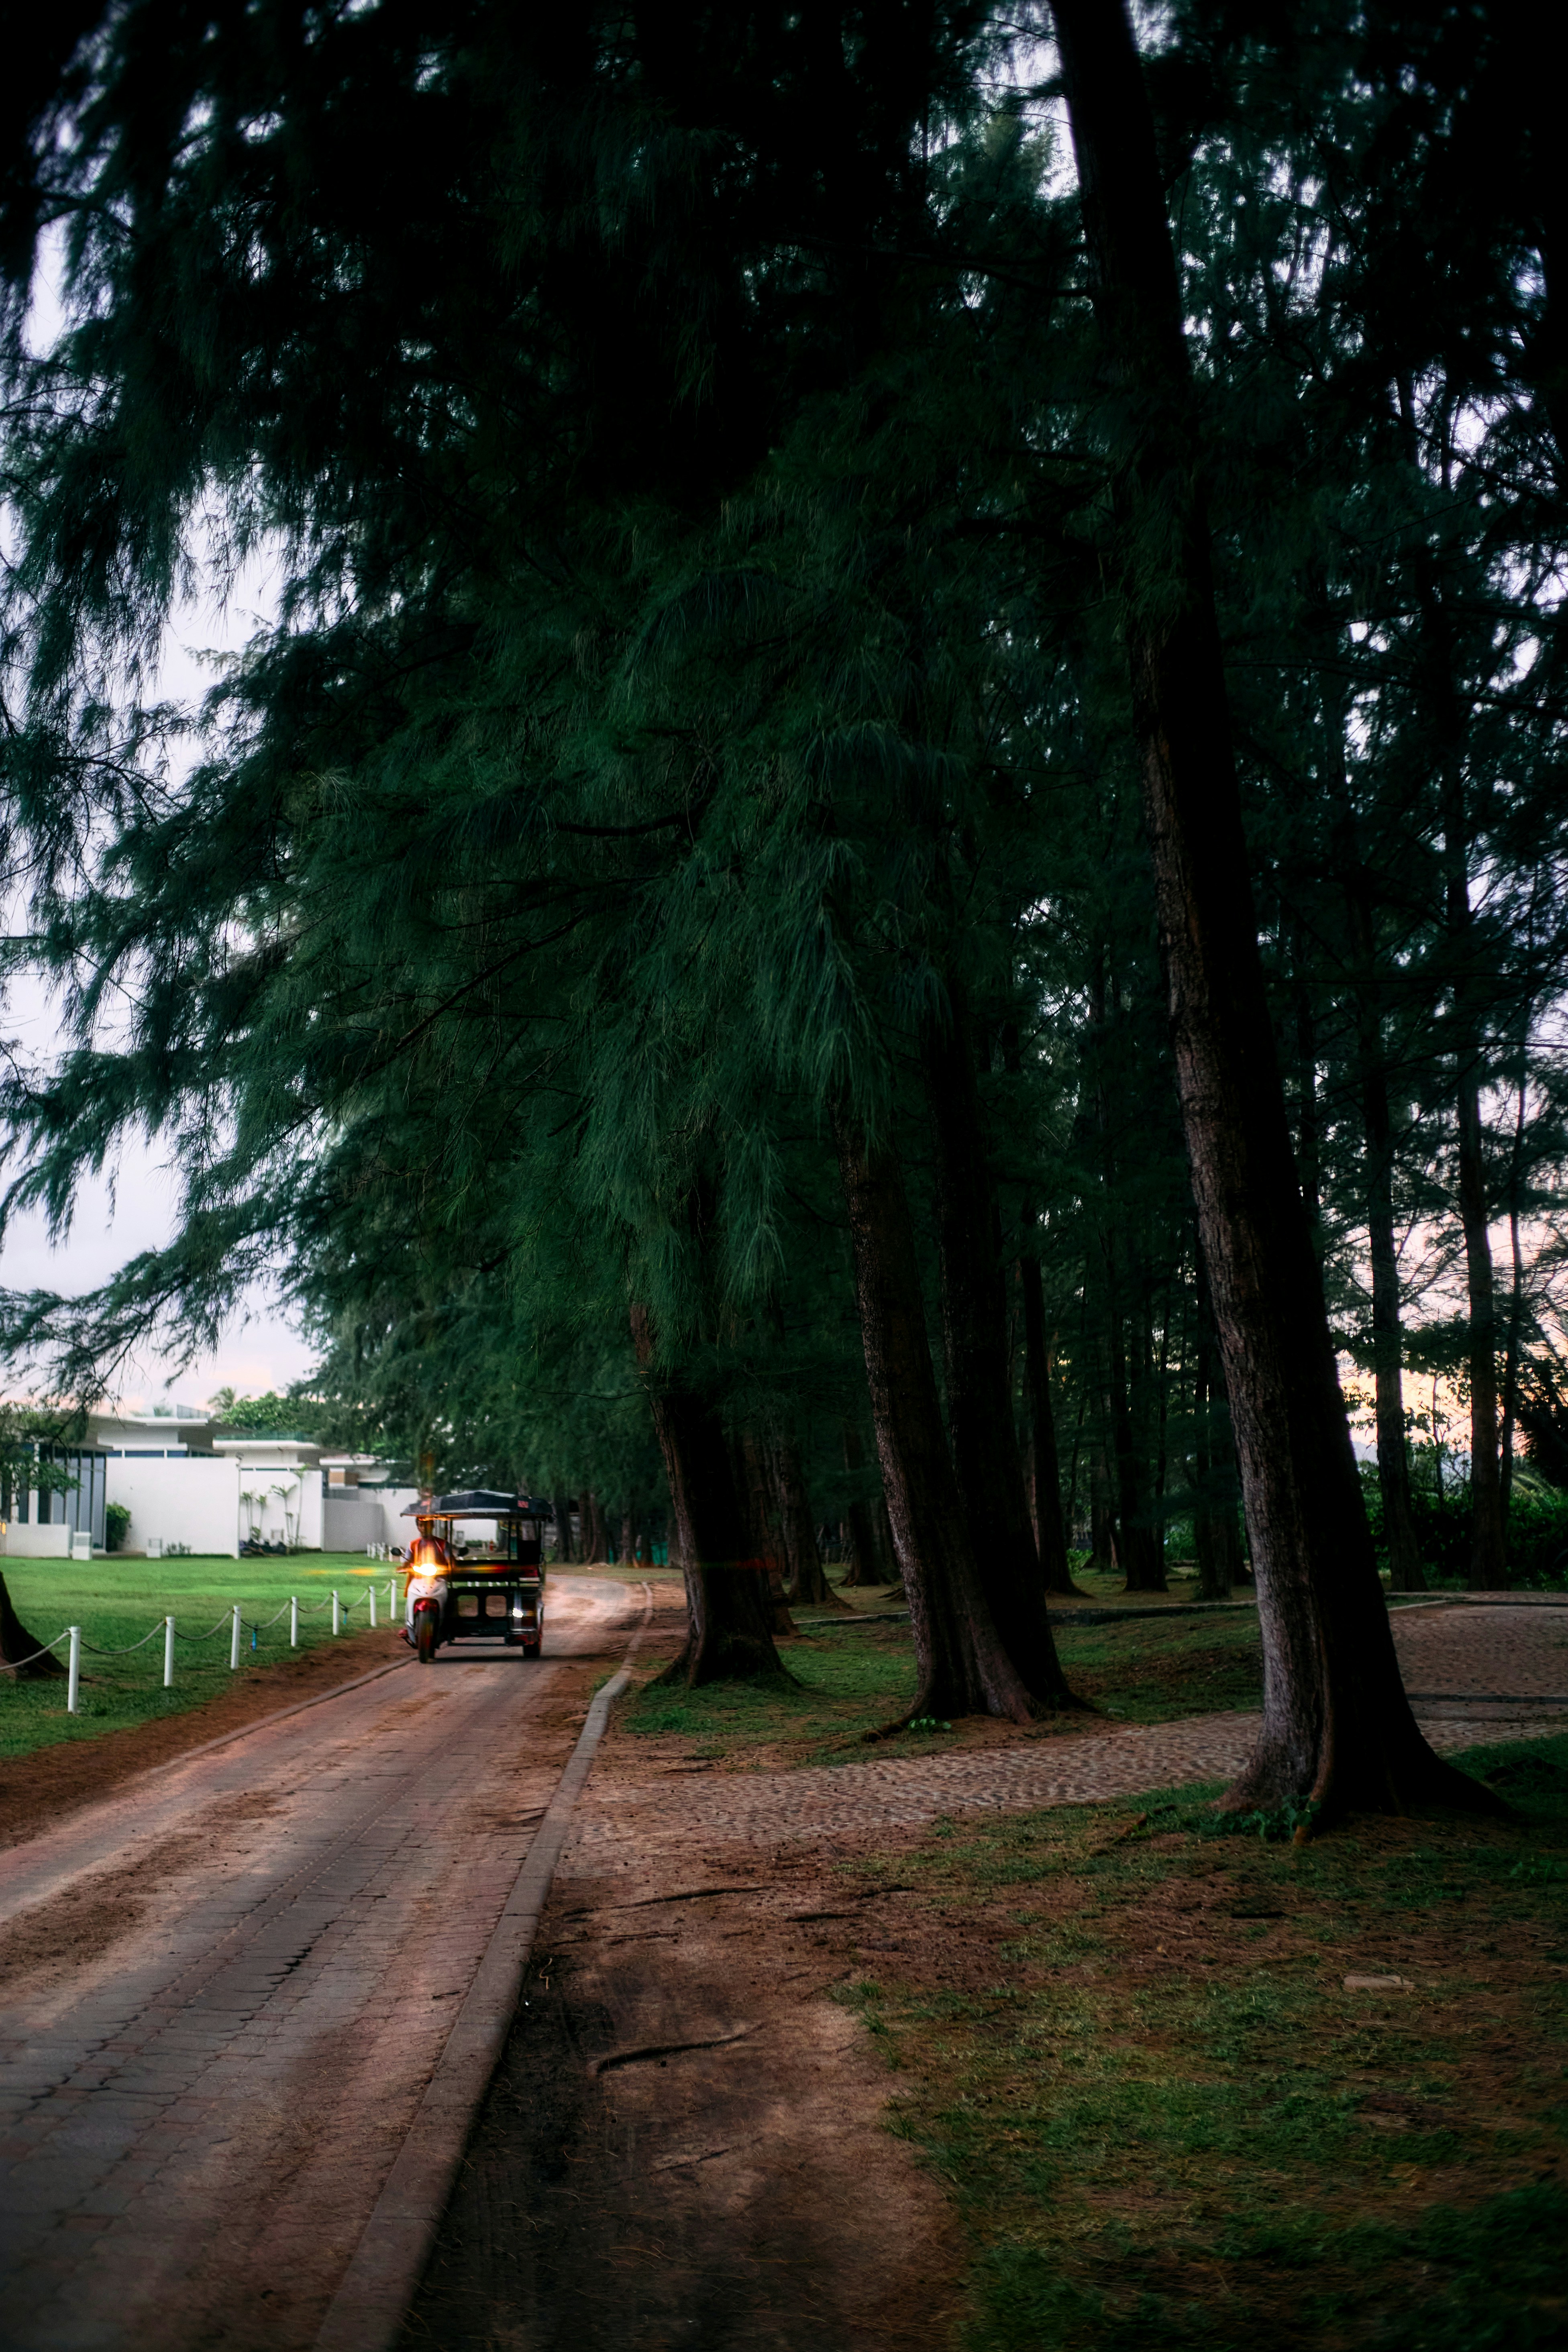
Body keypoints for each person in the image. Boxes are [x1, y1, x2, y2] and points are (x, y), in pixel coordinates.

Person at [401, 1511, 454, 1644]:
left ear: (433, 1526)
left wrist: (450, 1567)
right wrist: (405, 1566)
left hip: (438, 1579)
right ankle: (409, 1627)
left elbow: (450, 1561)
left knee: (448, 1600)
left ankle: (446, 1623)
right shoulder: (413, 1545)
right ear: (418, 1527)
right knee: (409, 1600)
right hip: (418, 1580)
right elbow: (406, 1562)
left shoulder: (442, 1544)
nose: (424, 1528)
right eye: (421, 1525)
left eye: (427, 1525)